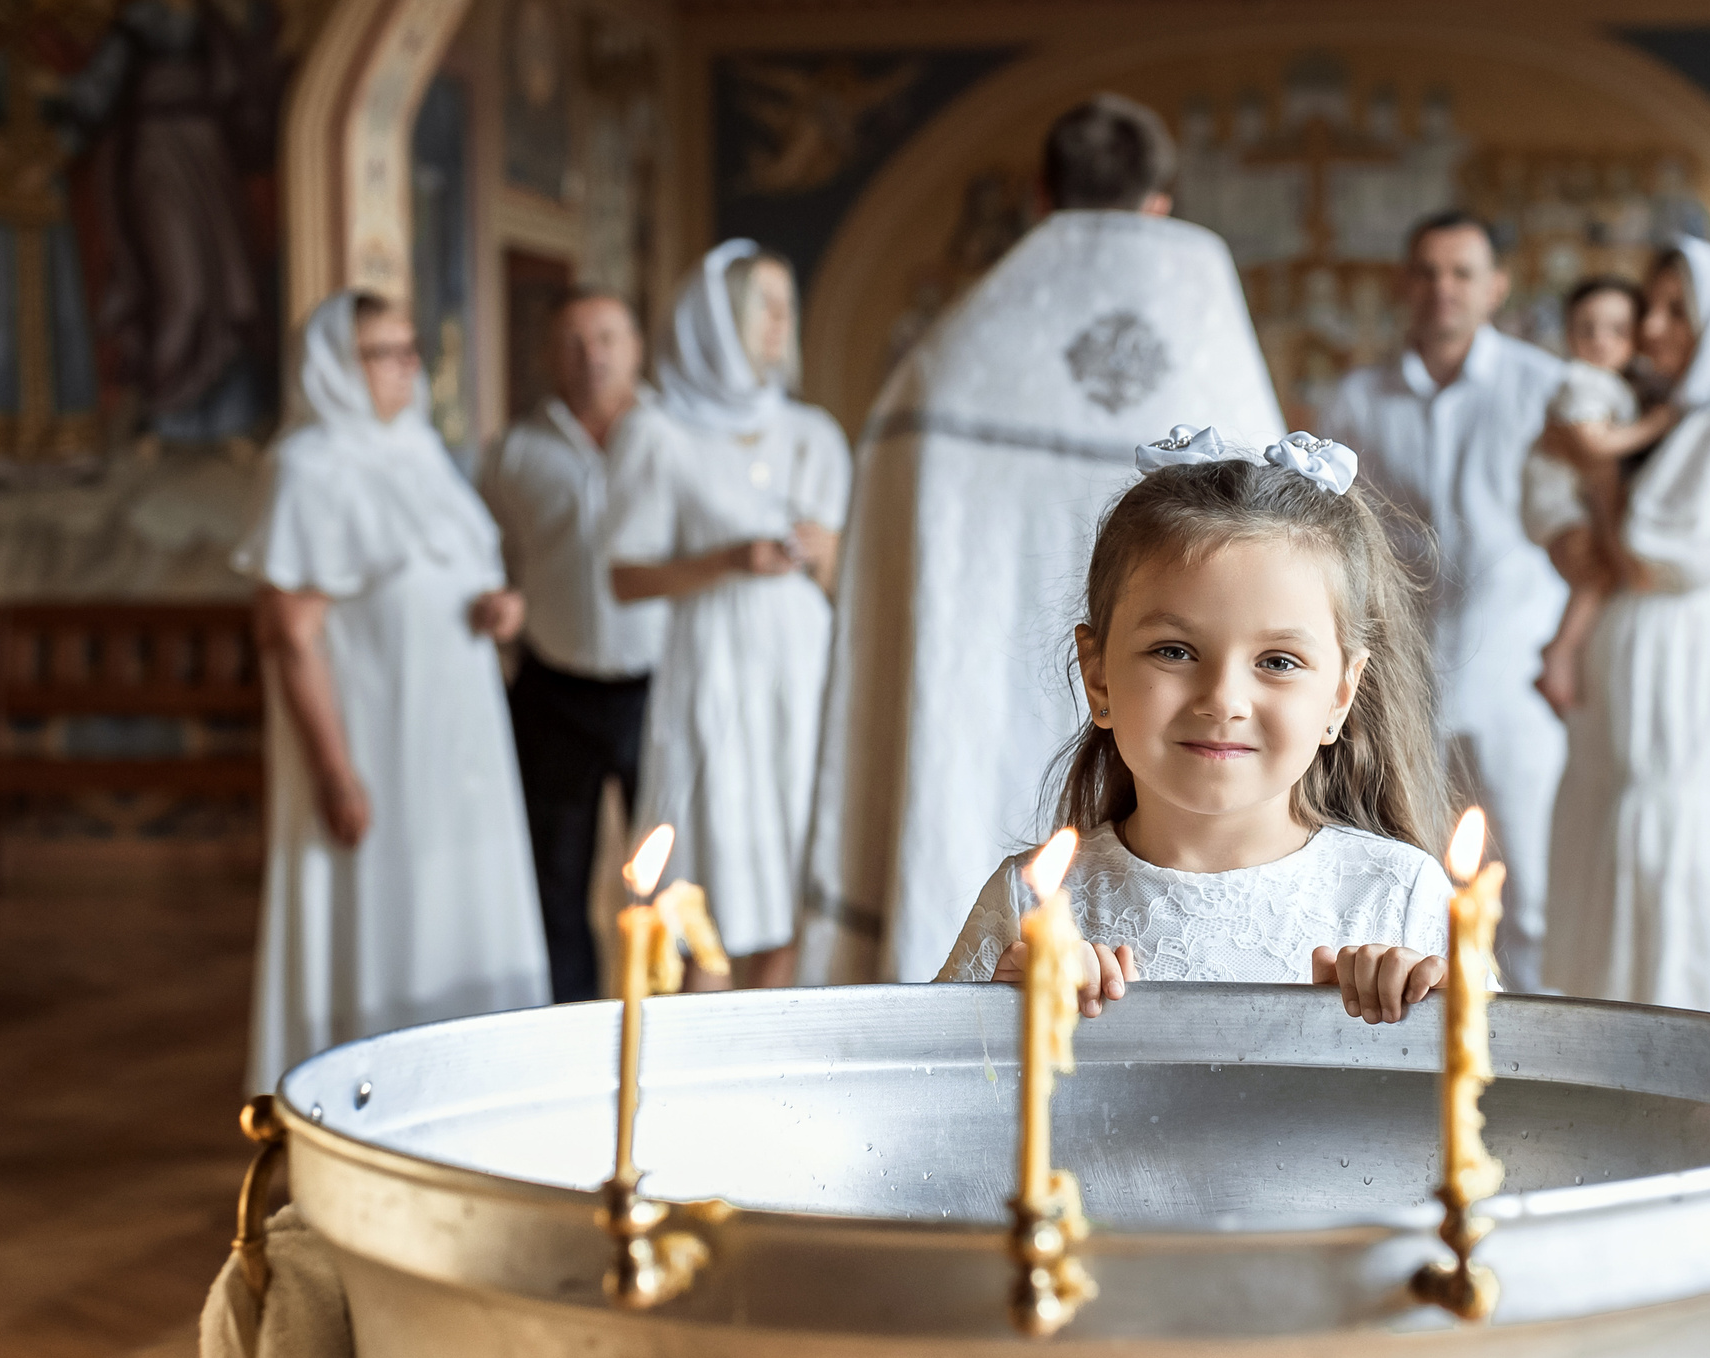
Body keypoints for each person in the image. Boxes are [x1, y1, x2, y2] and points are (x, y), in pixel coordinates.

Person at [800, 93, 1285, 987]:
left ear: (1038, 195)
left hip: (963, 705)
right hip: (1178, 704)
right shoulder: (1212, 352)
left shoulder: (949, 362)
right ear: (1160, 202)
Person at [937, 429, 1454, 1026]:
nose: (1223, 700)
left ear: (1341, 694)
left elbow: (1498, 1098)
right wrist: (1004, 1017)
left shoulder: (1401, 896)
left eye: (1278, 662)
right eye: (1175, 652)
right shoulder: (1028, 902)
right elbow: (931, 1098)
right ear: (1099, 675)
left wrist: (1433, 1016)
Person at [239, 291, 549, 1091]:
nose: (406, 368)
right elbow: (289, 634)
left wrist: (500, 607)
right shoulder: (306, 466)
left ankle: (471, 1090)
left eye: (411, 350)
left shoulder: (421, 451)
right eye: (384, 353)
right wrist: (335, 771)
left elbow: (461, 577)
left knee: (462, 906)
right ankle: (369, 1104)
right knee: (386, 914)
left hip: (462, 742)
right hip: (378, 746)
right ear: (336, 367)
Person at [1529, 238, 1710, 1023]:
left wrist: (1603, 477)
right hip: (1626, 657)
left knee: (1670, 819)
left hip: (1689, 667)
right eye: (1653, 308)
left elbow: (1647, 556)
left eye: (1678, 311)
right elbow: (1584, 535)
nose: (1653, 329)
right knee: (1612, 818)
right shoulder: (1663, 420)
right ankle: (1603, 1035)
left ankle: (1679, 1037)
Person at [1317, 212, 1568, 994]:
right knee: (1411, 865)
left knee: (1533, 873)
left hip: (1524, 667)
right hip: (1408, 673)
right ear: (1403, 284)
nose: (1443, 289)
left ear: (1496, 287)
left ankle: (1538, 1039)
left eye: (1462, 272)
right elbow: (1337, 531)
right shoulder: (1356, 401)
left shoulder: (1542, 388)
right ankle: (1433, 1030)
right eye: (1426, 271)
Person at [612, 241, 851, 989]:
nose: (781, 322)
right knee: (709, 858)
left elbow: (845, 581)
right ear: (717, 321)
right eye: (762, 306)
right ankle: (693, 1048)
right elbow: (624, 576)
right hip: (711, 662)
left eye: (788, 306)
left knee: (788, 852)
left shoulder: (813, 434)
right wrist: (726, 561)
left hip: (798, 667)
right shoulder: (656, 434)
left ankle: (772, 1037)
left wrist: (824, 553)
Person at [479, 289, 670, 1003]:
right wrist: (500, 599)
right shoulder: (514, 453)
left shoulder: (669, 438)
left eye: (607, 337)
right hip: (553, 685)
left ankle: (674, 1017)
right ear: (548, 356)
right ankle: (572, 1020)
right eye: (573, 341)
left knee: (672, 860)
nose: (592, 356)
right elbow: (491, 556)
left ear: (636, 347)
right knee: (554, 874)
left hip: (660, 684)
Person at [1528, 277, 1682, 716]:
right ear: (1568, 334)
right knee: (1594, 575)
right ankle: (1559, 653)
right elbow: (1593, 446)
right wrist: (1656, 425)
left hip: (1575, 498)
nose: (1600, 340)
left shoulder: (1614, 384)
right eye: (1586, 328)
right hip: (1559, 498)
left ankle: (1565, 653)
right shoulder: (1582, 381)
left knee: (1600, 577)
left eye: (1616, 330)